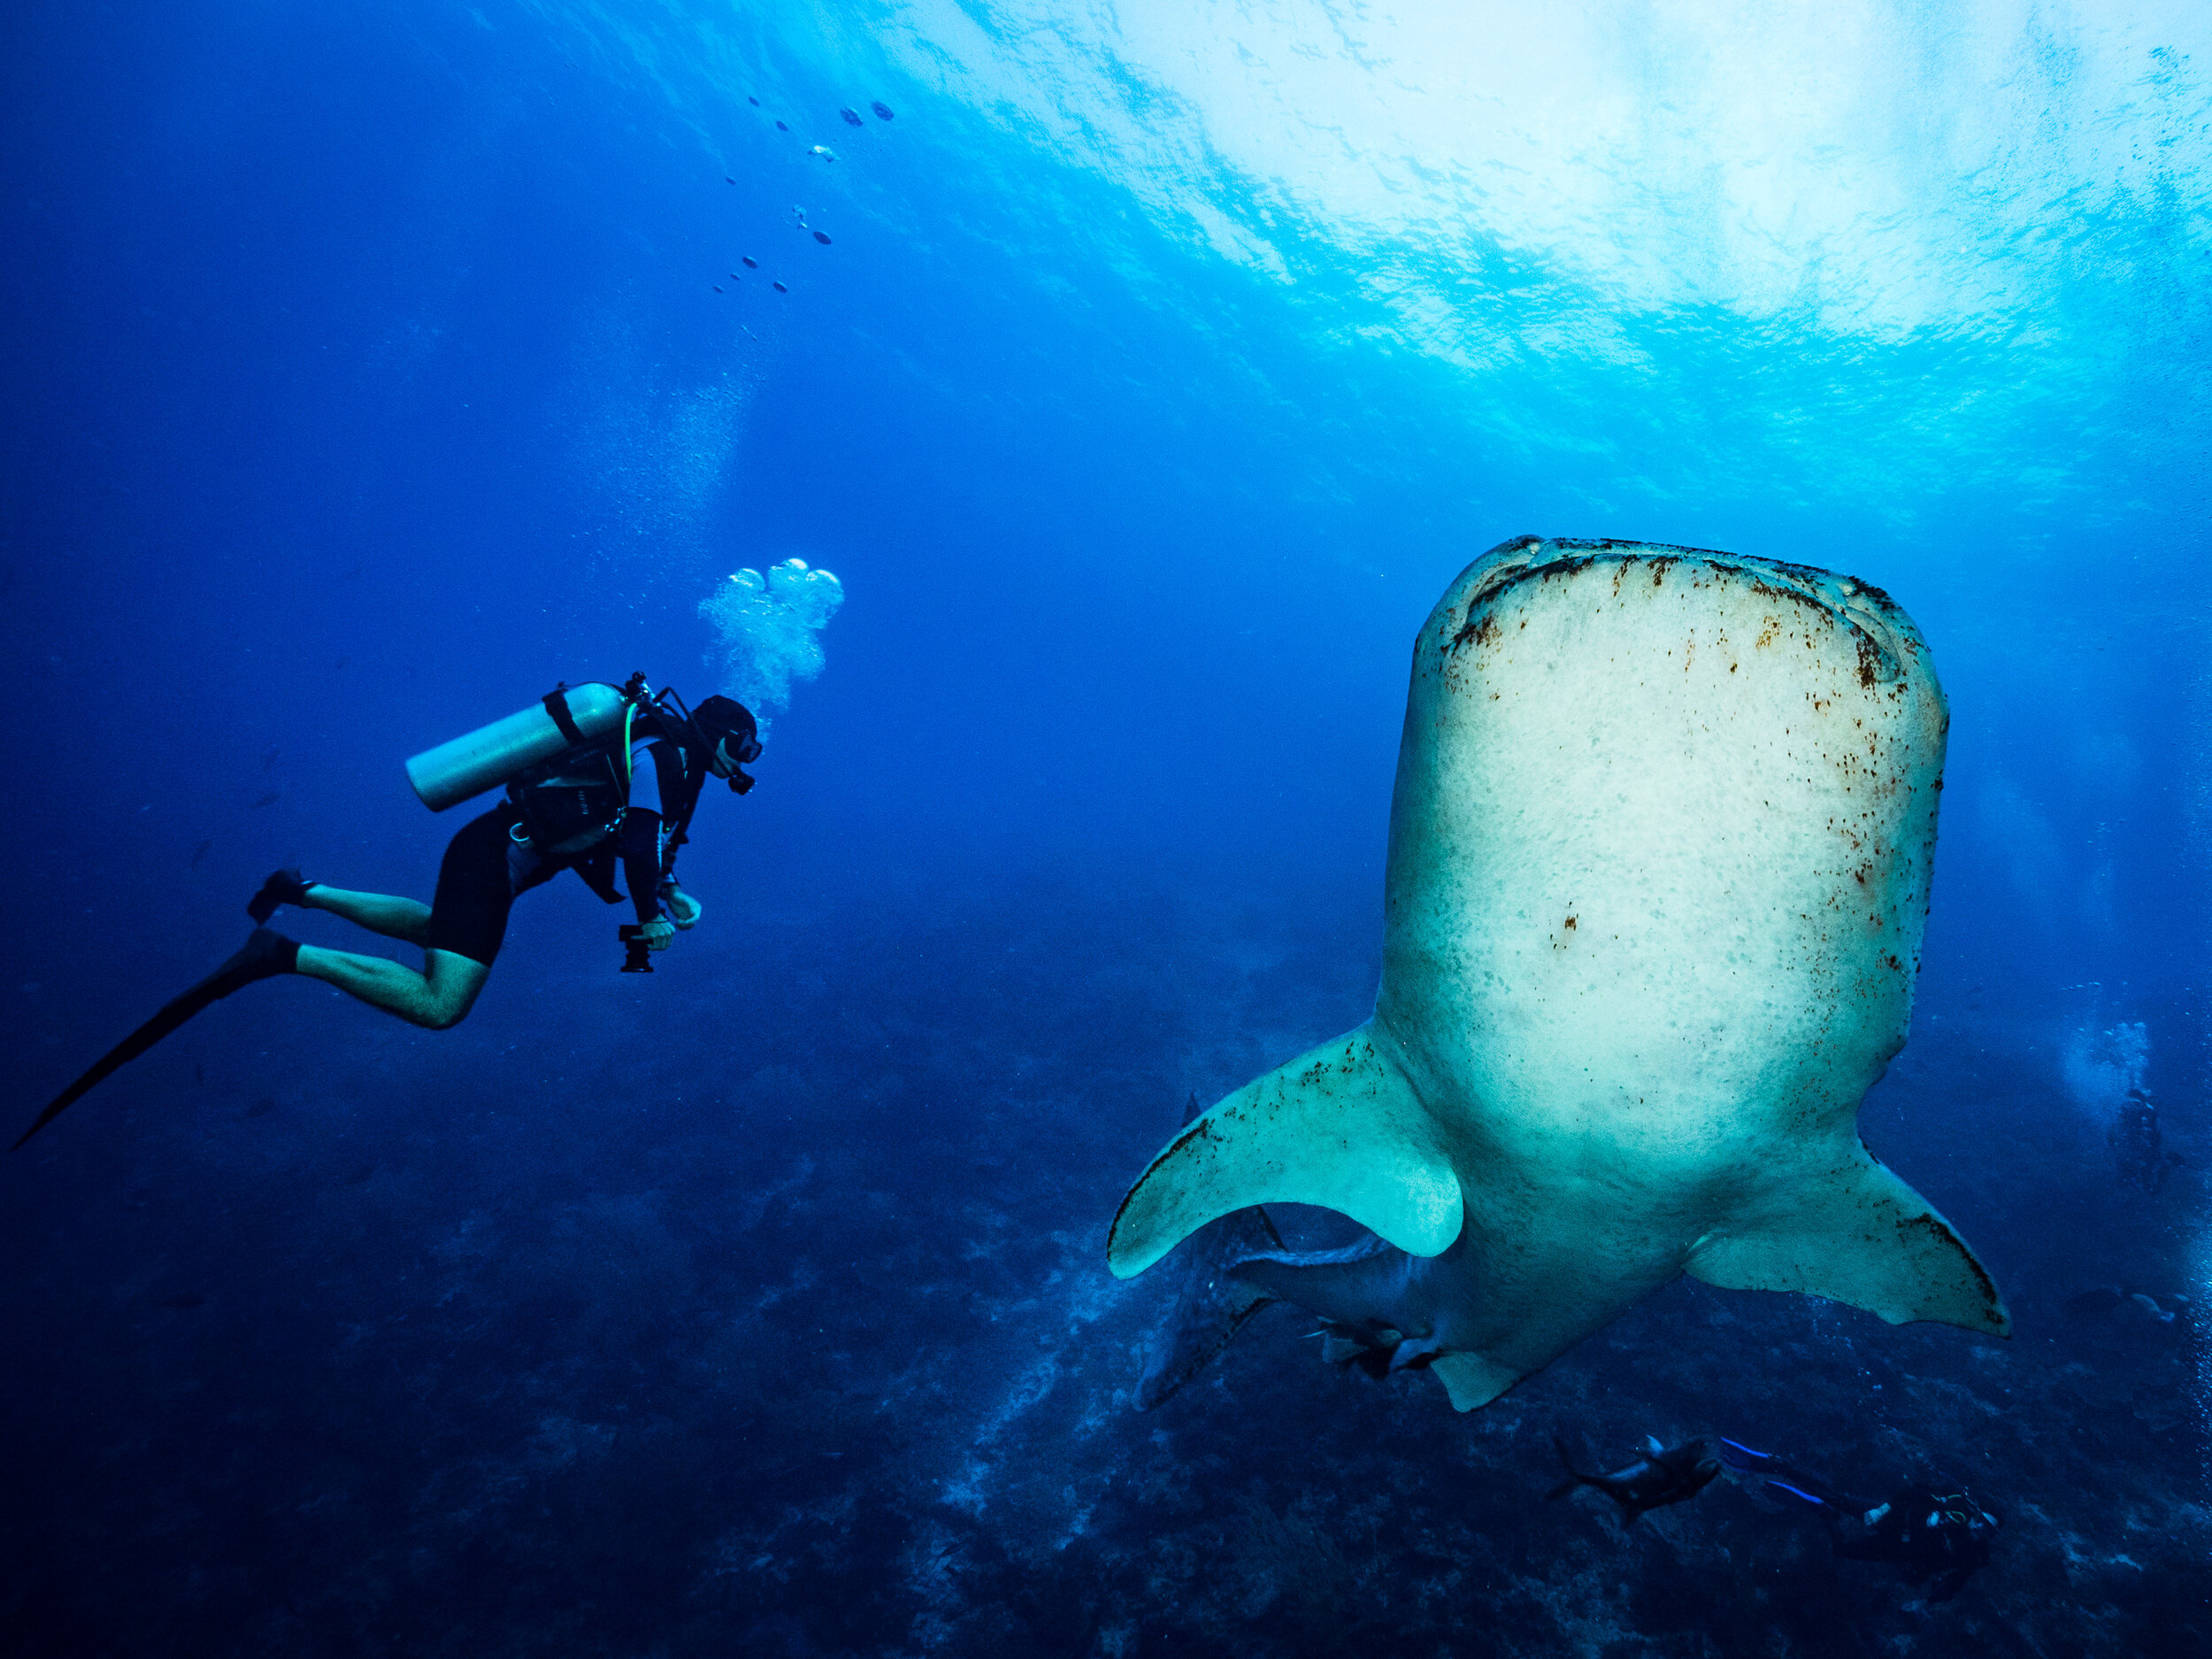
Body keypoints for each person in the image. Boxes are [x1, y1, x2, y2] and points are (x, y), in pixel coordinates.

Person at [242, 689, 762, 1029]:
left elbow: (653, 841)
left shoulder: (677, 764)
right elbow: (639, 843)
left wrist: (671, 891)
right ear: (722, 738)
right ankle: (281, 954)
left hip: (495, 849)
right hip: (495, 855)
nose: (745, 761)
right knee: (441, 1004)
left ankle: (300, 890)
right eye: (745, 749)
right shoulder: (664, 756)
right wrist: (649, 918)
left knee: (437, 929)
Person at [1720, 1440, 2000, 1603]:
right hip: (1890, 1518)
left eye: (1987, 1530)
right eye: (1980, 1521)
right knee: (1833, 1495)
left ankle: (1824, 1512)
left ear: (1991, 1535)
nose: (1979, 1528)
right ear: (1976, 1513)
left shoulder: (1974, 1556)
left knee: (1840, 1549)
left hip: (1893, 1550)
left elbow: (1954, 1584)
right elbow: (1915, 1490)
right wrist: (1882, 1510)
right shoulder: (1958, 1507)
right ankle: (1779, 1465)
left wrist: (1925, 1602)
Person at [2109, 1087, 2181, 1194]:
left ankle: (2167, 1162)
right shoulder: (2148, 1111)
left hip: (2131, 1150)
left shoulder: (2125, 1110)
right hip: (2143, 1150)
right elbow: (2156, 1133)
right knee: (2148, 1184)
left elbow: (2113, 1131)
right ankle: (2167, 1162)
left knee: (2129, 1179)